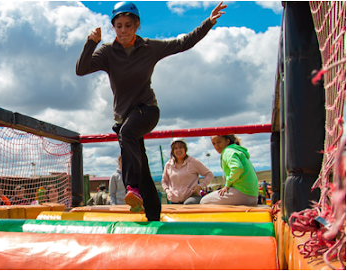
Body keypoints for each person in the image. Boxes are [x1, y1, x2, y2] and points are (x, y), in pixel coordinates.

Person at [76, 1, 227, 220]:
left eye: (128, 25)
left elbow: (183, 42)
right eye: (119, 26)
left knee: (128, 134)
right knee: (142, 166)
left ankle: (132, 188)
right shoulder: (108, 52)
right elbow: (81, 69)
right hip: (123, 119)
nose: (124, 30)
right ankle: (153, 214)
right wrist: (91, 42)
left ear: (136, 25)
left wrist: (208, 23)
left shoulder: (149, 48)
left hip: (147, 110)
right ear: (113, 27)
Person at [200, 135, 259, 205]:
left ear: (227, 141)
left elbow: (237, 168)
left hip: (243, 193)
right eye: (214, 143)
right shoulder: (236, 150)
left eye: (219, 142)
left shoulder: (228, 151)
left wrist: (227, 185)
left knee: (204, 201)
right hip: (252, 195)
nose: (216, 146)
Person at [162, 138, 214, 204]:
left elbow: (209, 174)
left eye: (180, 147)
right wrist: (168, 192)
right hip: (174, 200)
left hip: (192, 197)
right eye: (175, 148)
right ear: (172, 150)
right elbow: (164, 181)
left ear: (185, 149)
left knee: (188, 204)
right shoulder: (168, 165)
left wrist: (200, 187)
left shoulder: (193, 162)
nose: (178, 150)